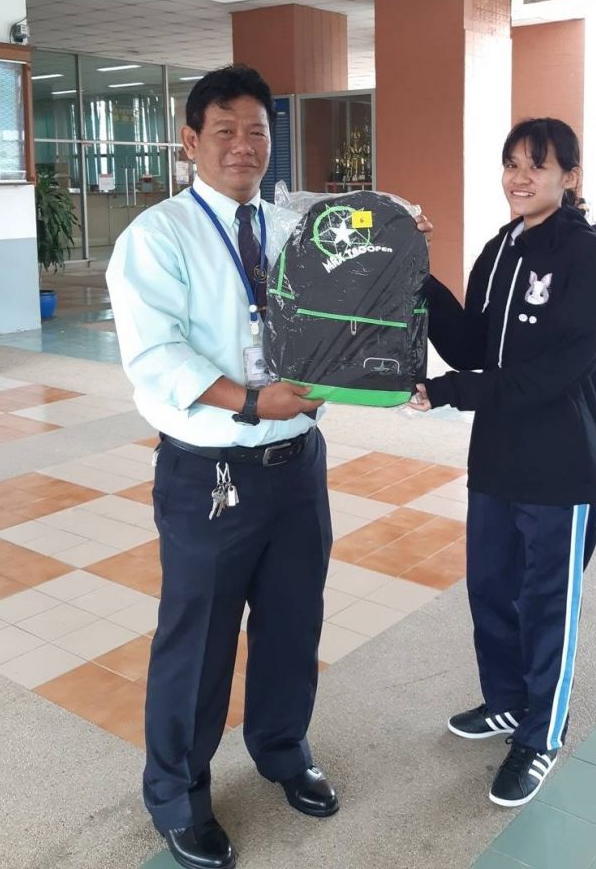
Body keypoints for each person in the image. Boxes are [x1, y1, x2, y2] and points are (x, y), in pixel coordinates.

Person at [106, 66, 343, 869]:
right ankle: (177, 796)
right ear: (190, 141)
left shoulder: (293, 230)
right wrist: (248, 400)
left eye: (258, 132)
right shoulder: (158, 236)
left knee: (293, 622)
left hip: (297, 464)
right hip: (212, 473)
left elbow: (334, 318)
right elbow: (155, 355)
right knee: (198, 641)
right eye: (226, 131)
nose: (244, 147)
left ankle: (282, 749)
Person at [408, 118, 596, 808]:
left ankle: (541, 735)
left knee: (546, 603)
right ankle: (505, 701)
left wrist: (451, 393)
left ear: (569, 177)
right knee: (492, 589)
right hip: (496, 454)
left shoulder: (588, 255)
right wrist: (417, 275)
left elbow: (560, 369)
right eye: (511, 164)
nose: (519, 178)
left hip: (561, 463)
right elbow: (472, 344)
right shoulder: (501, 248)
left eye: (537, 165)